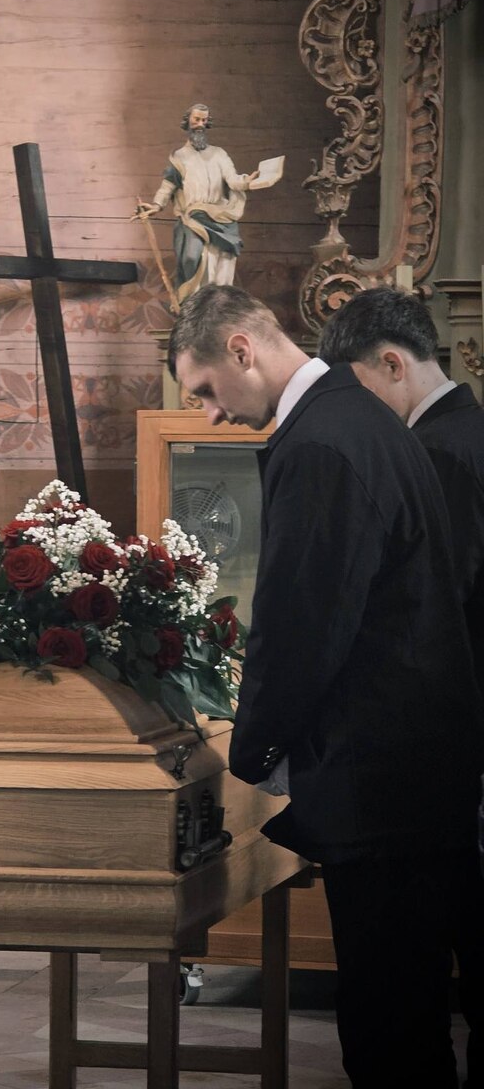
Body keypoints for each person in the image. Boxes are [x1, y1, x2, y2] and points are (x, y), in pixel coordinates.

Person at [169, 283, 484, 1089]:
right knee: (407, 1010)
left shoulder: (322, 441)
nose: (210, 413)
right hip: (416, 769)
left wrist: (251, 750)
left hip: (379, 778)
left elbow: (305, 621)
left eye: (205, 390)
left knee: (388, 1029)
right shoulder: (361, 418)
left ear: (241, 349)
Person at [319, 284, 484, 1079]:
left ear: (392, 363)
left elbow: (432, 613)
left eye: (357, 390)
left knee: (407, 997)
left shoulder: (441, 452)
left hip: (443, 751)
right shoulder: (467, 433)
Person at [135, 103, 269, 303]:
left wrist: (246, 181)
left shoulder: (219, 154)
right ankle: (194, 303)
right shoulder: (179, 157)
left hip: (220, 217)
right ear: (188, 121)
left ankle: (217, 305)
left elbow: (232, 180)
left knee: (221, 263)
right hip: (193, 218)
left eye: (204, 120)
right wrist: (156, 205)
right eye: (196, 119)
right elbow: (168, 186)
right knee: (191, 258)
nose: (200, 124)